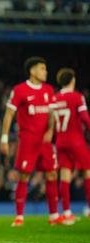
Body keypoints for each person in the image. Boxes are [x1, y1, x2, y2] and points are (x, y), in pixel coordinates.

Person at [0, 56, 62, 227]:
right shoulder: (20, 90)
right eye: (42, 68)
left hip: (45, 143)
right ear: (32, 71)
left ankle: (54, 215)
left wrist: (50, 130)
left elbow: (51, 114)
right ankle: (19, 216)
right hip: (27, 141)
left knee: (52, 174)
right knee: (24, 176)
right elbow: (9, 114)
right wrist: (4, 138)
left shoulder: (49, 90)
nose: (46, 71)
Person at [53, 68, 90, 224]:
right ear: (72, 80)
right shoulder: (77, 97)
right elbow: (85, 118)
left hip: (60, 141)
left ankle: (67, 212)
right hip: (76, 140)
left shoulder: (54, 99)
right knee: (87, 173)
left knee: (65, 176)